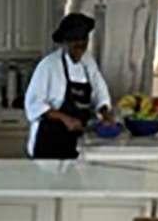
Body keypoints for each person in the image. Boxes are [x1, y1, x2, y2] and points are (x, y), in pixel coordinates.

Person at [24, 12, 114, 159]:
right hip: (49, 140)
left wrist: (105, 113)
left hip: (75, 139)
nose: (80, 49)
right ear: (65, 42)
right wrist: (65, 119)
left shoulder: (88, 63)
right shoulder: (49, 65)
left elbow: (99, 91)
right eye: (75, 44)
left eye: (84, 43)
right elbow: (34, 104)